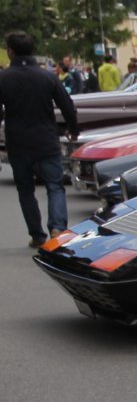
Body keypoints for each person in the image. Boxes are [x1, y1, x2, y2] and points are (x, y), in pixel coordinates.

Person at [0, 30, 79, 248]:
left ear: (10, 52)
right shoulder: (48, 77)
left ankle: (37, 235)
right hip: (46, 140)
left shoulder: (3, 78)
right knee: (55, 186)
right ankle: (58, 227)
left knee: (25, 190)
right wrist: (73, 129)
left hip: (18, 143)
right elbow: (67, 106)